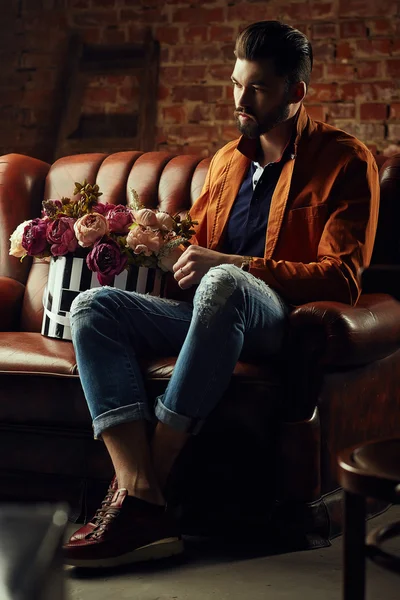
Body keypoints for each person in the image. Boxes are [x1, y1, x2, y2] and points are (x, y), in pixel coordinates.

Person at [63, 21, 379, 568]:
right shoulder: (228, 161)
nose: (241, 99)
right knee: (92, 308)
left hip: (275, 320)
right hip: (207, 316)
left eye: (256, 87)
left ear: (295, 92)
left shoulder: (346, 162)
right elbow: (191, 248)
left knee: (224, 281)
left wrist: (229, 264)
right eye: (236, 84)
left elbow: (343, 277)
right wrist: (137, 238)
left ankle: (143, 495)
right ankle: (142, 492)